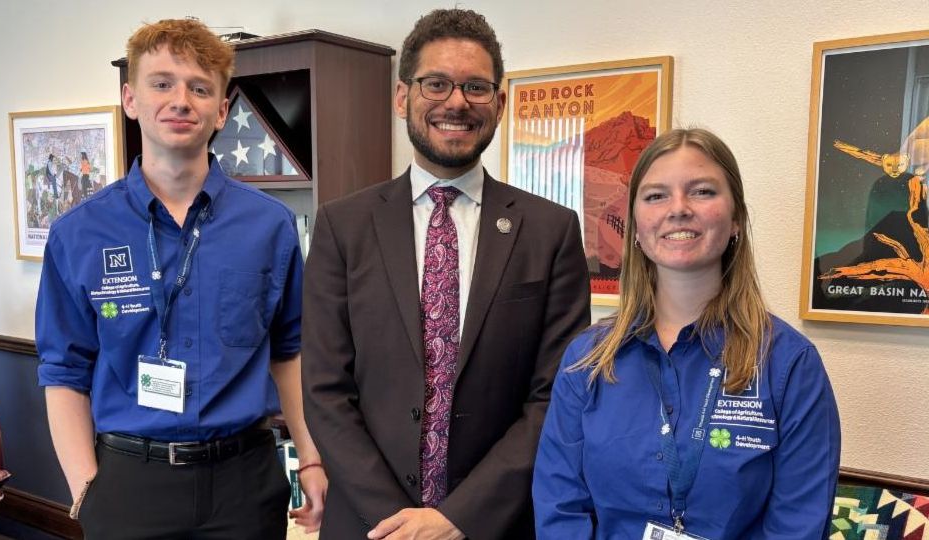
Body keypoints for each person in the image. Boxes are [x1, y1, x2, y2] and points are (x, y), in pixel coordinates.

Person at [302, 8, 591, 540]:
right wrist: (399, 523)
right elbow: (324, 390)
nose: (456, 102)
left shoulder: (550, 231)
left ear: (499, 104)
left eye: (476, 87)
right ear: (402, 97)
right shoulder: (342, 227)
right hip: (369, 526)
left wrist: (459, 518)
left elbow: (554, 397)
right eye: (436, 84)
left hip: (495, 523)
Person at [35, 18, 326, 539]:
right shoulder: (78, 233)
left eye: (199, 88)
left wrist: (311, 458)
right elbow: (64, 371)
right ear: (131, 99)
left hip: (244, 482)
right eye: (162, 83)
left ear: (220, 110)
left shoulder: (269, 225)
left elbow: (290, 350)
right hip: (129, 482)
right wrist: (86, 489)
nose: (181, 100)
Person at [533, 128, 841, 539]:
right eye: (656, 195)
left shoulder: (788, 364)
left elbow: (798, 523)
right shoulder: (586, 360)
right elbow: (560, 508)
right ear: (636, 228)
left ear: (736, 220)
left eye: (702, 191)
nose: (677, 209)